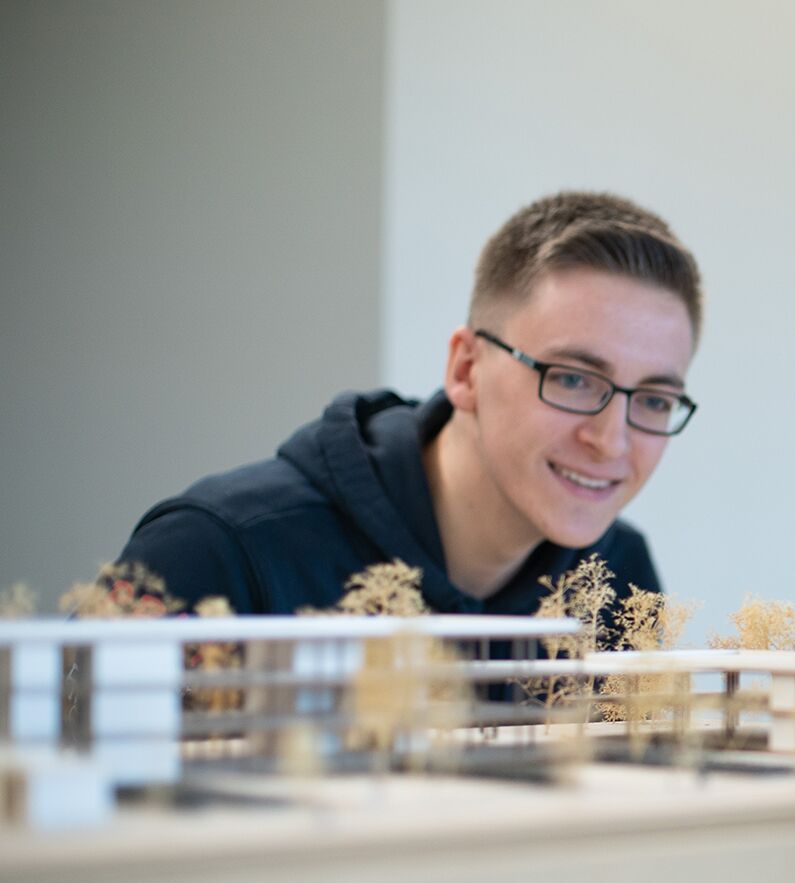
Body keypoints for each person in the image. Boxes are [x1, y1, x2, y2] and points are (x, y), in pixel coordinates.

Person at [116, 191, 702, 614]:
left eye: (653, 400)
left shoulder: (618, 576)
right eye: (573, 380)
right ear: (466, 369)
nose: (611, 440)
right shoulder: (221, 551)